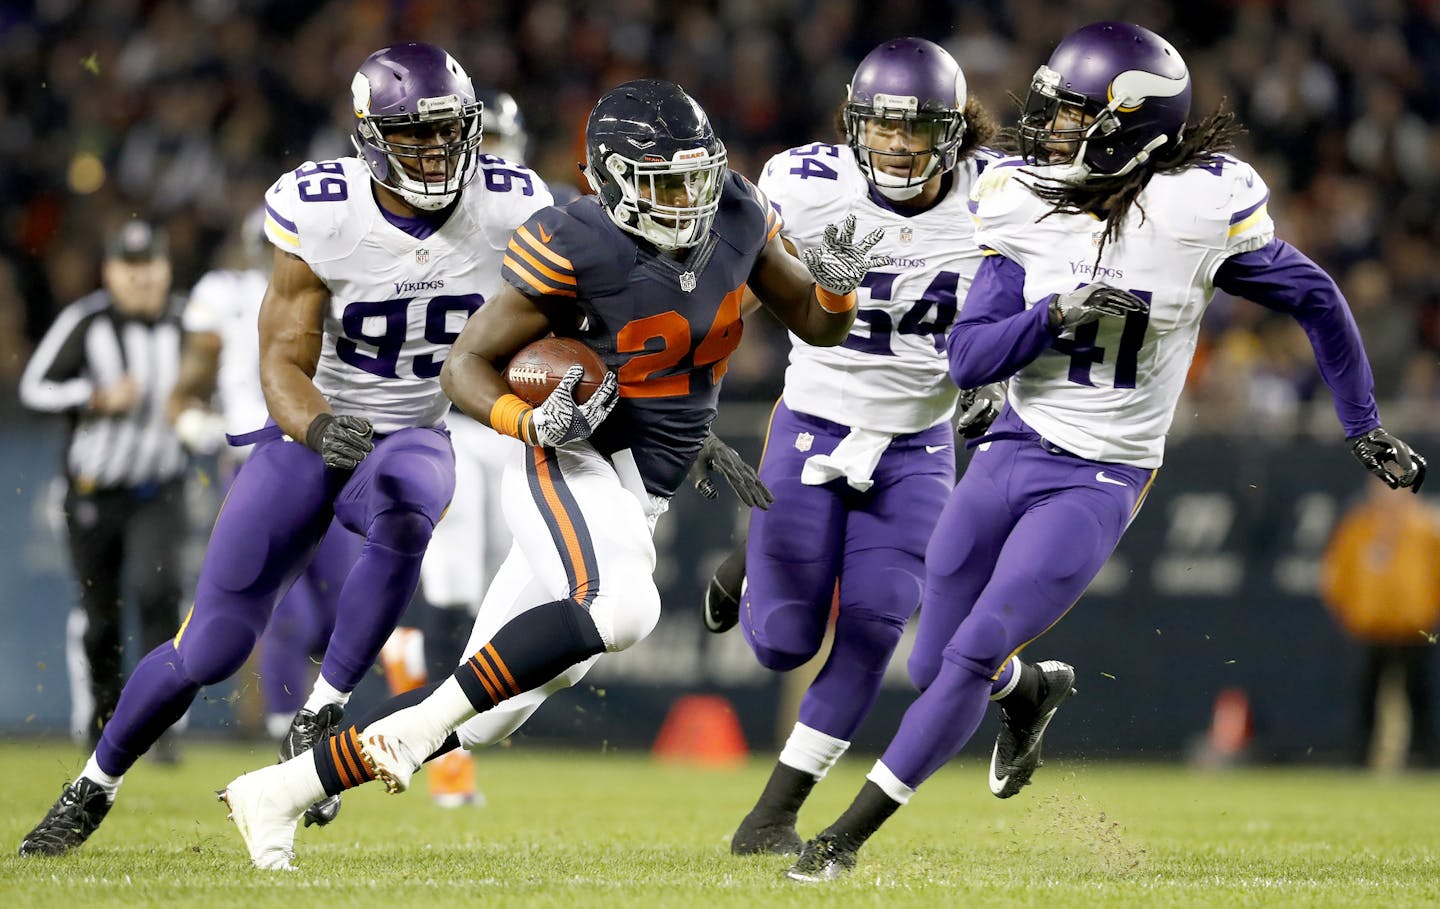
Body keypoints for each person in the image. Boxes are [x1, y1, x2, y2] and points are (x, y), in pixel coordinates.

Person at [784, 21, 1429, 882]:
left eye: (1074, 116)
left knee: (971, 651)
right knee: (934, 658)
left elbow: (1316, 297)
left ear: (1133, 125)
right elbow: (969, 358)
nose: (1049, 130)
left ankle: (843, 839)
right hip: (1011, 446)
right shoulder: (1021, 198)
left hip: (1100, 473)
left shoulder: (1197, 211)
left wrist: (1360, 420)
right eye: (1053, 111)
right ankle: (1031, 691)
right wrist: (1051, 317)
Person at [219, 77, 881, 871]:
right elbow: (465, 364)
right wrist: (528, 421)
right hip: (571, 458)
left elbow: (818, 323)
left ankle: (282, 790)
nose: (686, 199)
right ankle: (413, 734)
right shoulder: (573, 239)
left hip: (644, 487)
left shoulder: (735, 211)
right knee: (623, 604)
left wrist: (838, 285)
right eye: (663, 181)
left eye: (695, 176)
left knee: (491, 714)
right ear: (610, 179)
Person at [18, 42, 554, 857]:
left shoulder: (512, 205)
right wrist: (313, 423)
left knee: (413, 495)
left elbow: (564, 323)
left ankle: (322, 708)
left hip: (411, 428)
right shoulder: (323, 209)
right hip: (309, 431)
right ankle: (95, 780)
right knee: (211, 645)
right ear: (370, 137)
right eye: (416, 135)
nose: (440, 152)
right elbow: (281, 357)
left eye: (452, 132)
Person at [706, 38, 1006, 857]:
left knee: (876, 627)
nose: (897, 146)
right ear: (853, 123)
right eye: (880, 128)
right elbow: (736, 293)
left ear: (952, 133)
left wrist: (997, 377)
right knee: (781, 643)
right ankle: (753, 553)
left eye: (916, 131)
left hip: (918, 443)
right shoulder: (804, 183)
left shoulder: (1000, 195)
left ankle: (772, 812)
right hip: (812, 423)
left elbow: (1029, 306)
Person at [168, 208, 367, 821]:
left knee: (338, 605)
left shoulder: (338, 284)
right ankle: (293, 748)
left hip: (328, 453)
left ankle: (306, 725)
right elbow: (187, 386)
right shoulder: (223, 295)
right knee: (284, 607)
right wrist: (194, 423)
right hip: (259, 457)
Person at [381, 88, 543, 809]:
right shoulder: (414, 224)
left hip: (520, 428)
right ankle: (438, 762)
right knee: (446, 597)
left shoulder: (543, 211)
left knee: (495, 598)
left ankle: (439, 735)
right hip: (450, 423)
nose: (499, 159)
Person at [18, 219, 190, 754]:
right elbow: (35, 387)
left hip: (160, 486)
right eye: (129, 267)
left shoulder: (191, 323)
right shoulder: (86, 321)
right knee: (100, 613)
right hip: (94, 491)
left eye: (149, 266)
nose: (140, 278)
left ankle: (160, 725)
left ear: (166, 270)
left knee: (158, 592)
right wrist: (95, 397)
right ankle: (102, 717)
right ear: (110, 273)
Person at [1320, 476, 1440, 770]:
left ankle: (1421, 754)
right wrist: (1349, 613)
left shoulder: (1426, 528)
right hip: (1370, 627)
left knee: (1418, 693)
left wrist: (1429, 612)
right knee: (1366, 694)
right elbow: (1336, 575)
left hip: (1415, 627)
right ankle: (1361, 753)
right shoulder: (1358, 527)